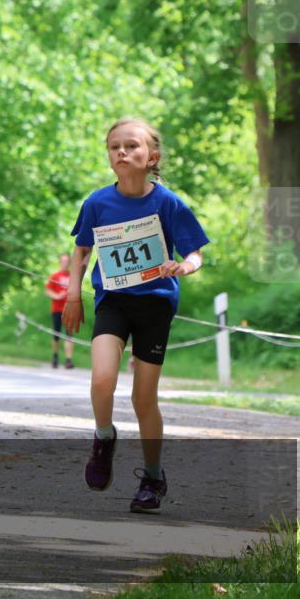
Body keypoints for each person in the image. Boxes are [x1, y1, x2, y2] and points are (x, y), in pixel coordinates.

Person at [62, 117, 208, 513]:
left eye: (131, 146)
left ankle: (153, 476)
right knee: (102, 377)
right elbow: (81, 251)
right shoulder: (97, 203)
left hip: (155, 304)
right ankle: (104, 437)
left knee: (144, 398)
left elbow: (195, 251)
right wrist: (73, 295)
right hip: (112, 300)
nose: (122, 152)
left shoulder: (167, 203)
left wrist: (186, 267)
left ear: (152, 157)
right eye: (115, 147)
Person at [45, 253, 74, 369]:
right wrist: (57, 296)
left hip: (69, 309)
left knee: (69, 335)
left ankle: (68, 360)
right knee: (56, 334)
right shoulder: (55, 276)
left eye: (67, 261)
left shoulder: (72, 276)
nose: (65, 263)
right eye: (63, 261)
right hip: (57, 309)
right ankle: (55, 356)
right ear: (60, 262)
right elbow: (48, 291)